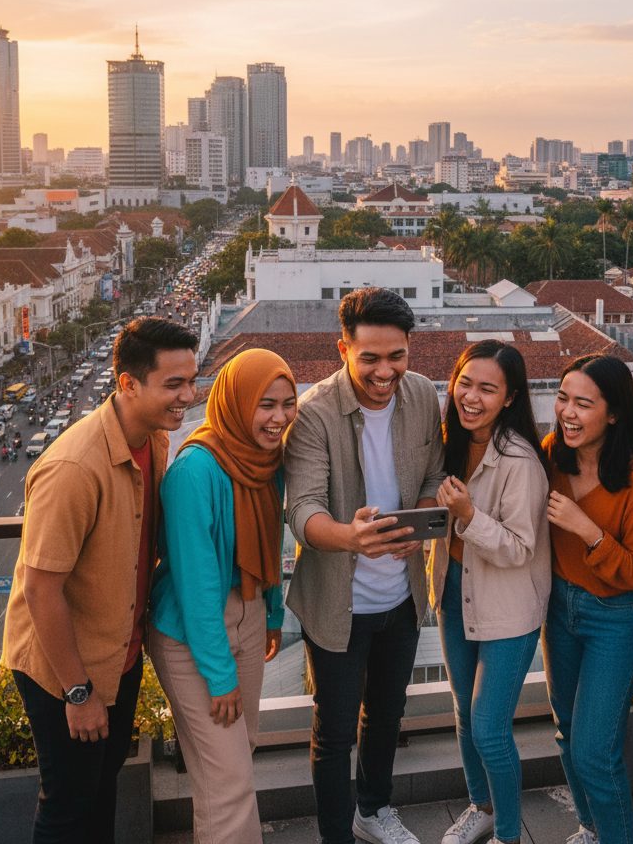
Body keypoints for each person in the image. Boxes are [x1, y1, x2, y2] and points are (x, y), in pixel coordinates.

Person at [2, 317, 199, 844]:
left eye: (191, 380)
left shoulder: (154, 443)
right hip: (64, 664)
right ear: (128, 383)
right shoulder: (74, 467)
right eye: (174, 385)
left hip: (119, 653)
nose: (188, 395)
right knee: (68, 804)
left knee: (103, 785)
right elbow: (40, 591)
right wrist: (78, 691)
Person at [284, 288, 446, 844]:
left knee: (386, 716)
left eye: (397, 356)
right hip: (336, 603)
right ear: (343, 349)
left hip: (401, 597)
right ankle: (337, 835)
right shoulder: (313, 414)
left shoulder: (424, 394)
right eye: (370, 358)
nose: (385, 371)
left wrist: (419, 523)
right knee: (333, 733)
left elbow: (432, 479)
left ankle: (373, 811)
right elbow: (302, 509)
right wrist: (351, 537)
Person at [149, 349, 297, 844]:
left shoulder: (265, 459)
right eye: (266, 404)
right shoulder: (195, 470)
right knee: (228, 778)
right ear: (236, 403)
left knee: (239, 751)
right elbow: (196, 585)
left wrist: (272, 613)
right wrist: (218, 676)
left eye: (287, 403)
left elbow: (271, 539)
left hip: (251, 612)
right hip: (194, 633)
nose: (279, 418)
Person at [539, 354, 633, 844]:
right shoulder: (552, 452)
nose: (568, 412)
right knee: (568, 731)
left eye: (583, 404)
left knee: (596, 749)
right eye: (563, 398)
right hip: (559, 607)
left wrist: (588, 531)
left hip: (615, 619)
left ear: (613, 414)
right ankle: (590, 828)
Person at [428, 341, 550, 844]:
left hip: (508, 606)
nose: (471, 397)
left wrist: (469, 517)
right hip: (454, 591)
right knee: (463, 712)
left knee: (490, 728)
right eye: (465, 382)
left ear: (511, 397)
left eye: (487, 388)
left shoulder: (520, 460)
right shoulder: (448, 441)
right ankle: (480, 806)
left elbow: (521, 547)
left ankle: (507, 832)